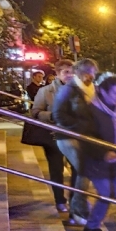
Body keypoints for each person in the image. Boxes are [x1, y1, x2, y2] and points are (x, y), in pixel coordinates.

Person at [79, 72, 116, 231]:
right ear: (103, 92)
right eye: (114, 93)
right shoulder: (90, 110)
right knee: (106, 193)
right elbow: (86, 138)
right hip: (97, 162)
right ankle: (92, 226)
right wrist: (103, 153)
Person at [52, 57, 98, 225]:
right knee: (85, 170)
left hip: (85, 138)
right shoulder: (68, 90)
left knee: (83, 172)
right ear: (79, 73)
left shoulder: (93, 89)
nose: (90, 77)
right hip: (68, 137)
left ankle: (76, 211)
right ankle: (80, 211)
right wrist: (80, 126)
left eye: (93, 74)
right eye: (88, 74)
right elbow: (58, 115)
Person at [32, 60, 74, 213]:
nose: (70, 75)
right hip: (54, 136)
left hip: (76, 137)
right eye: (66, 72)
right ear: (57, 74)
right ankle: (60, 200)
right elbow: (35, 112)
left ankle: (75, 199)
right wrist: (53, 116)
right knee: (56, 170)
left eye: (73, 72)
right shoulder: (45, 91)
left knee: (78, 169)